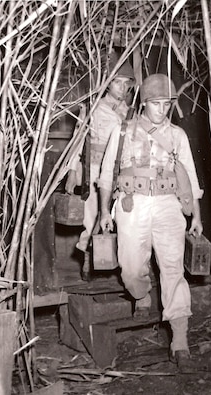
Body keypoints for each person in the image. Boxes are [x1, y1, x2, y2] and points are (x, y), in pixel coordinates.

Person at [98, 73, 204, 373]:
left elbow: (191, 180)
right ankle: (142, 293)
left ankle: (180, 341)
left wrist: (196, 215)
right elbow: (106, 176)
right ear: (144, 103)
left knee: (173, 268)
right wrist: (105, 212)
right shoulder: (122, 132)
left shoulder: (177, 135)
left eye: (167, 103)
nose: (162, 109)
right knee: (131, 268)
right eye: (156, 103)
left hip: (168, 205)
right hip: (132, 205)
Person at [65, 53, 135, 281]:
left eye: (127, 84)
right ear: (108, 82)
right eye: (118, 82)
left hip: (121, 172)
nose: (122, 88)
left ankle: (114, 263)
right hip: (94, 170)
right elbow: (77, 140)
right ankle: (86, 259)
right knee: (91, 218)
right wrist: (73, 171)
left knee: (119, 218)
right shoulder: (93, 108)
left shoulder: (131, 113)